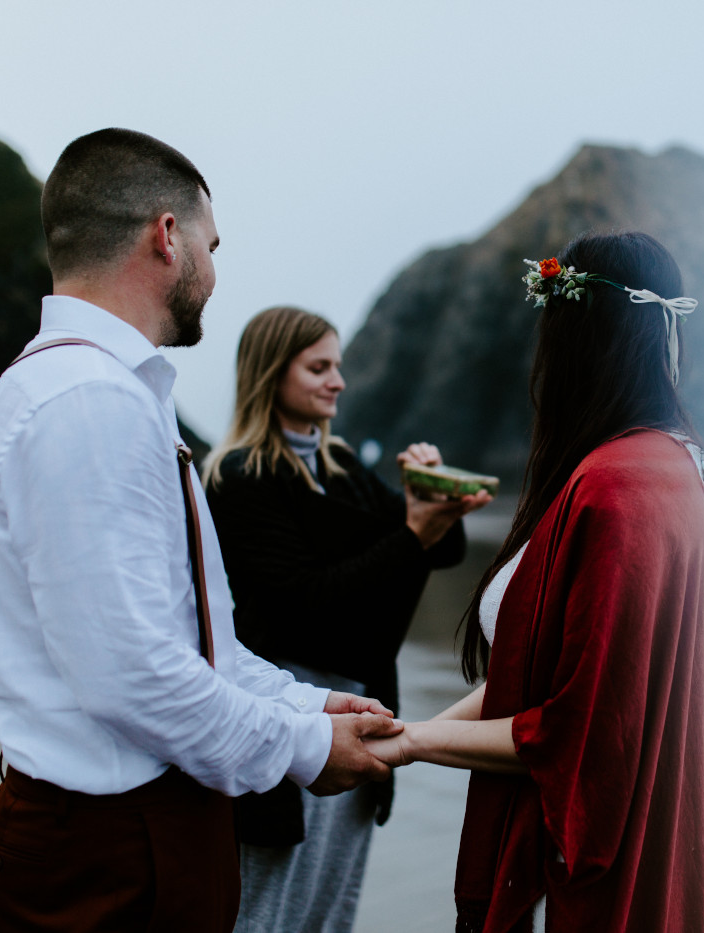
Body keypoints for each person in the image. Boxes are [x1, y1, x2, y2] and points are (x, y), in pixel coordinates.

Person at [0, 128, 401, 933]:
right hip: (112, 841)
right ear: (167, 237)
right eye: (211, 244)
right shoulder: (87, 403)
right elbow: (134, 677)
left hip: (136, 826)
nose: (215, 271)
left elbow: (200, 645)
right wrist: (302, 749)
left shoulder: (97, 392)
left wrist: (308, 704)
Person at [365, 232, 704, 932]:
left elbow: (580, 734)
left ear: (577, 333)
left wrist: (412, 743)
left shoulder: (615, 486)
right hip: (658, 825)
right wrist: (402, 734)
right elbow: (547, 682)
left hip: (579, 872)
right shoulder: (672, 465)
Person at [202, 305, 491, 932]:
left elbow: (438, 550)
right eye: (319, 367)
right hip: (285, 716)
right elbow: (305, 601)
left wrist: (433, 499)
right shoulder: (240, 476)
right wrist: (412, 531)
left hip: (365, 710)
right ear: (272, 373)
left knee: (331, 909)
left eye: (338, 366)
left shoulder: (339, 465)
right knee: (268, 910)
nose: (337, 381)